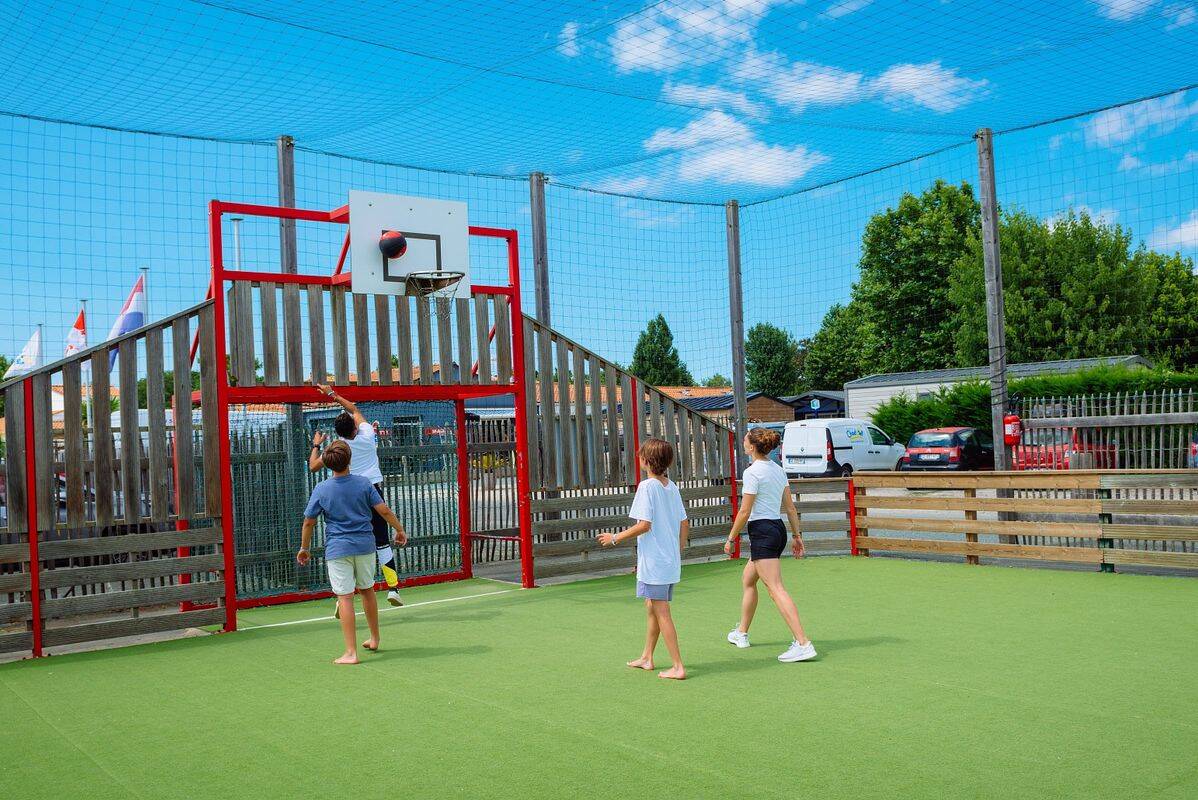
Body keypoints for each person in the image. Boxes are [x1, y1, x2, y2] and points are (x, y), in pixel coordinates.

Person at [296, 441, 409, 664]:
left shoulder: (322, 489)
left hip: (338, 549)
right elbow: (384, 510)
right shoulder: (364, 484)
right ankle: (375, 638)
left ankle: (351, 652)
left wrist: (304, 548)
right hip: (365, 546)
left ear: (327, 465)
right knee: (367, 590)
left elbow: (309, 522)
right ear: (349, 459)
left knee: (345, 597)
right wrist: (399, 529)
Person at [598, 438, 689, 681]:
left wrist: (614, 538)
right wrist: (675, 552)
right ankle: (647, 657)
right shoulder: (671, 486)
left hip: (657, 563)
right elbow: (684, 523)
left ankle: (678, 666)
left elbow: (644, 525)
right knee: (652, 607)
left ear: (646, 461)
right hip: (667, 561)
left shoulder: (647, 487)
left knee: (661, 611)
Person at [723, 427, 817, 663]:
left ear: (752, 446)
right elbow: (791, 508)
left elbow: (745, 511)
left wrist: (731, 538)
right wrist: (796, 536)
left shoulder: (753, 472)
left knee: (775, 589)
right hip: (776, 529)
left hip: (763, 532)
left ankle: (803, 643)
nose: (743, 442)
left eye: (745, 439)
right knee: (748, 580)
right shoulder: (778, 470)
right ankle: (741, 633)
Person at [309, 384, 404, 607]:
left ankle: (344, 597)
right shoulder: (368, 434)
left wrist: (315, 445)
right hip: (372, 491)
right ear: (355, 425)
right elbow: (354, 408)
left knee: (349, 543)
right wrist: (331, 393)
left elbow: (313, 466)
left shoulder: (337, 447)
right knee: (381, 542)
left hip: (347, 494)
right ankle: (393, 588)